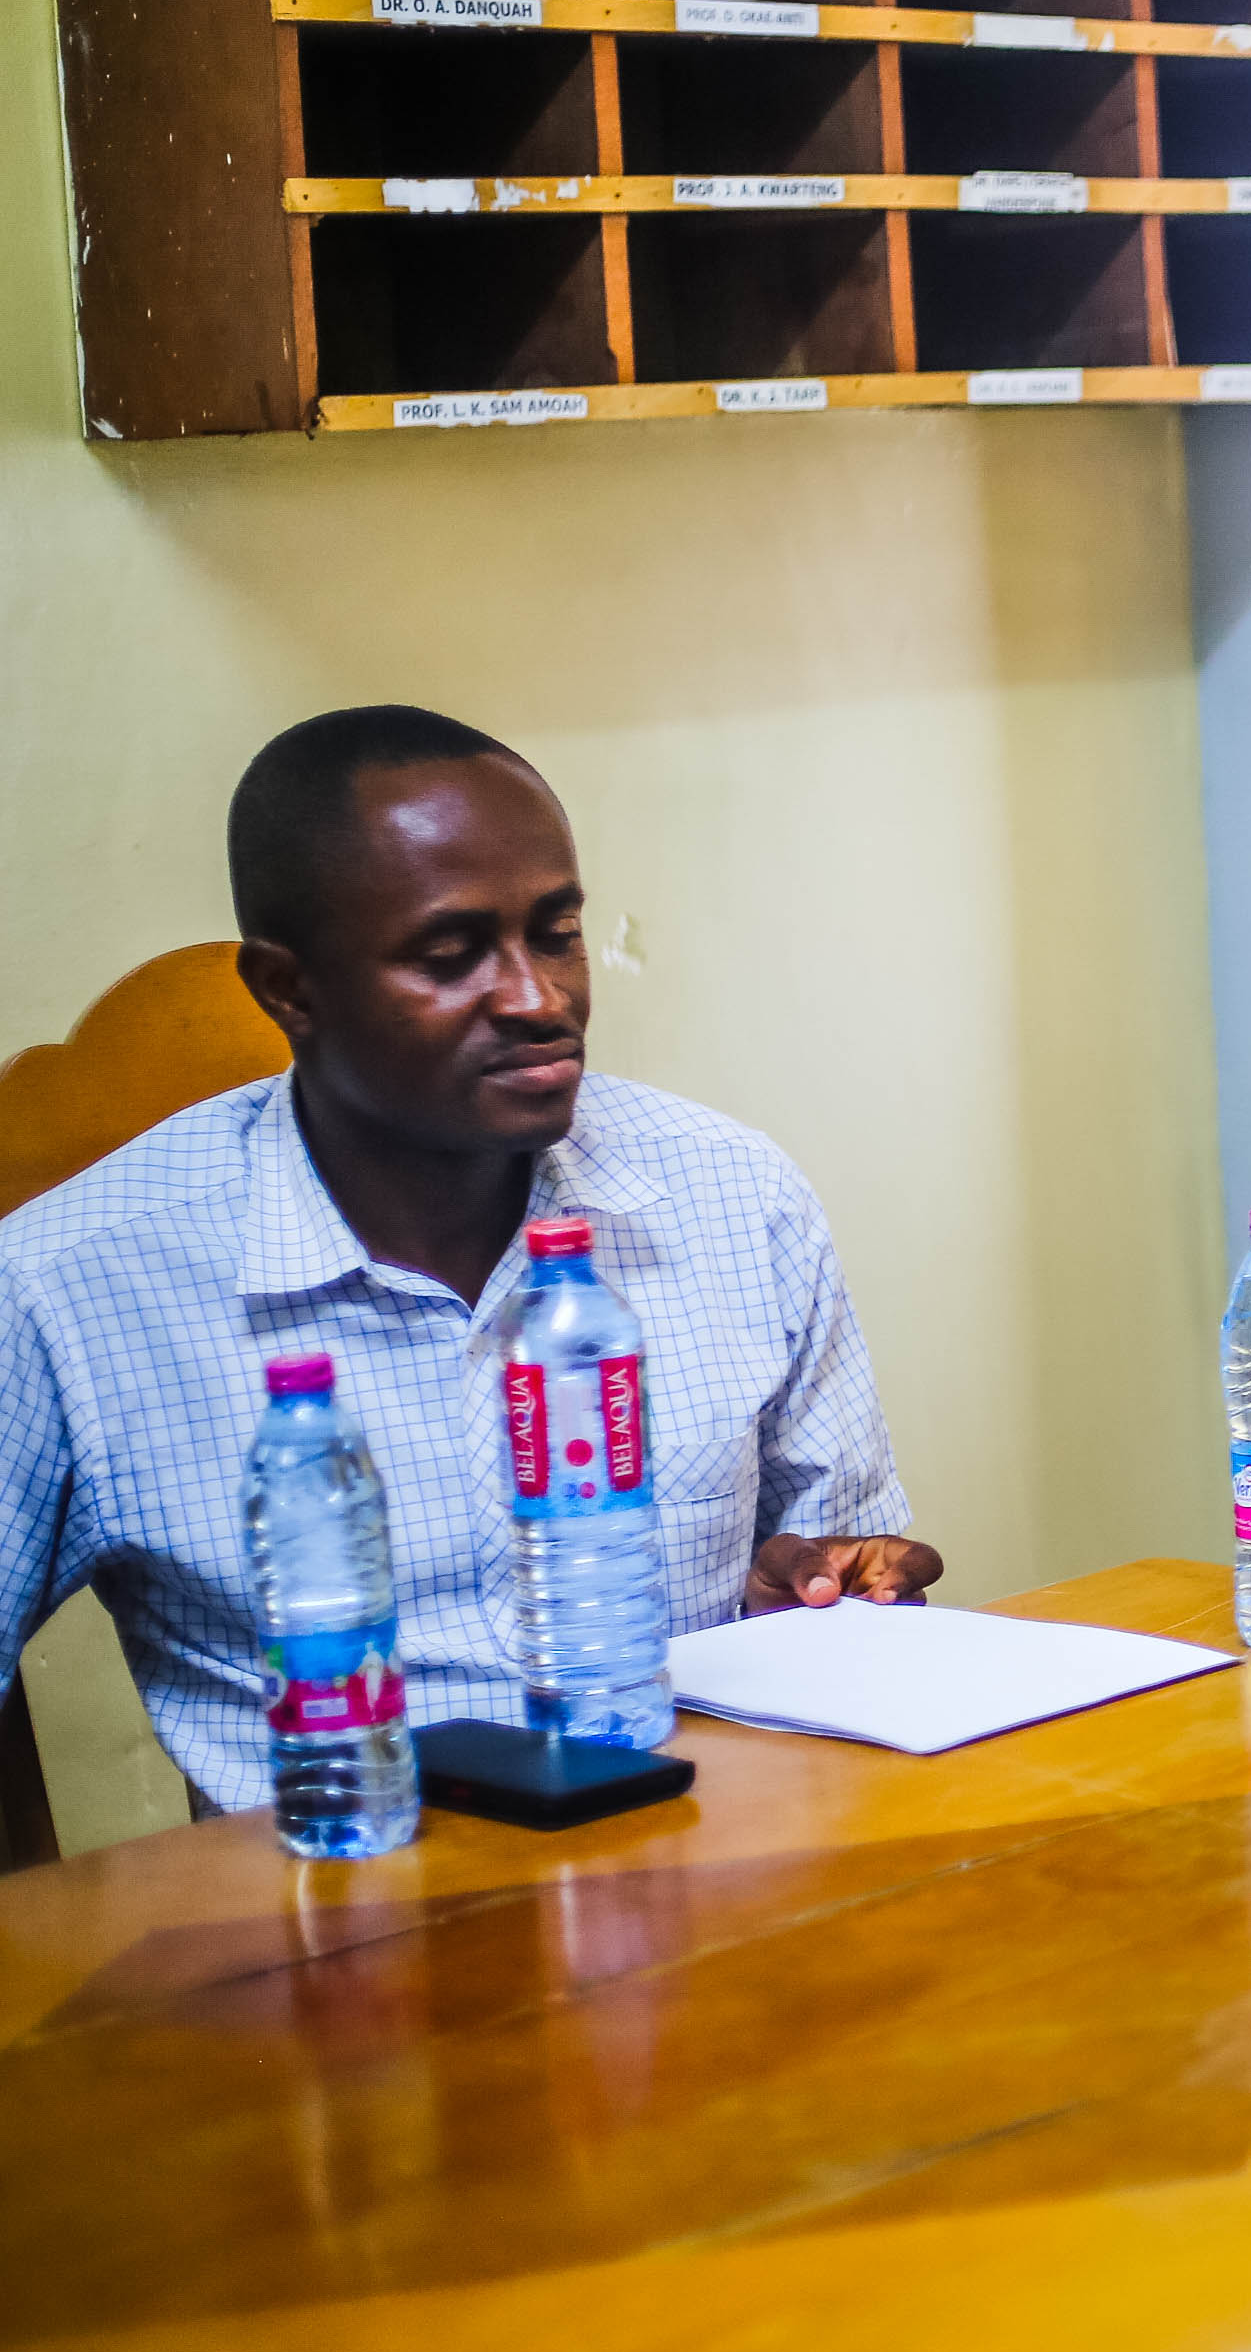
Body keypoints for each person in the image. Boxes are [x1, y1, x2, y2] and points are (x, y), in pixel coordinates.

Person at [0, 707, 939, 1812]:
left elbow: (846, 1571)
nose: (539, 1000)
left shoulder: (733, 1193)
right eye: (451, 958)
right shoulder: (67, 1286)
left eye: (556, 934)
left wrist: (833, 1583)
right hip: (333, 1925)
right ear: (288, 990)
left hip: (712, 1875)